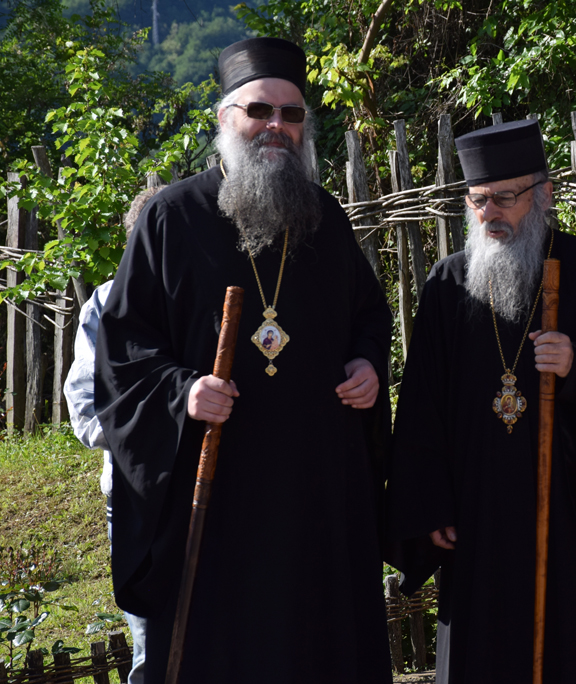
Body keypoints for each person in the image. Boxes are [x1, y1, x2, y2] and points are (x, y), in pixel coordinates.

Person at [94, 37, 393, 684]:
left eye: (291, 114)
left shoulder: (326, 218)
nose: (276, 126)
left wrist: (368, 363)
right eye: (260, 110)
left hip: (317, 493)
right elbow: (123, 355)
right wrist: (182, 392)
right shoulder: (171, 219)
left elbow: (370, 315)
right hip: (218, 494)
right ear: (225, 117)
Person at [385, 120, 576, 684]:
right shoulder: (447, 286)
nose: (490, 213)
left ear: (543, 194)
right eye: (478, 200)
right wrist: (431, 503)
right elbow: (421, 407)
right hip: (478, 518)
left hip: (571, 520)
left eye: (505, 198)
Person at [64, 187, 161, 684]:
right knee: (150, 646)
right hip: (134, 495)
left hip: (212, 494)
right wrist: (155, 431)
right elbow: (84, 406)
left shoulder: (206, 296)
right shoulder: (105, 303)